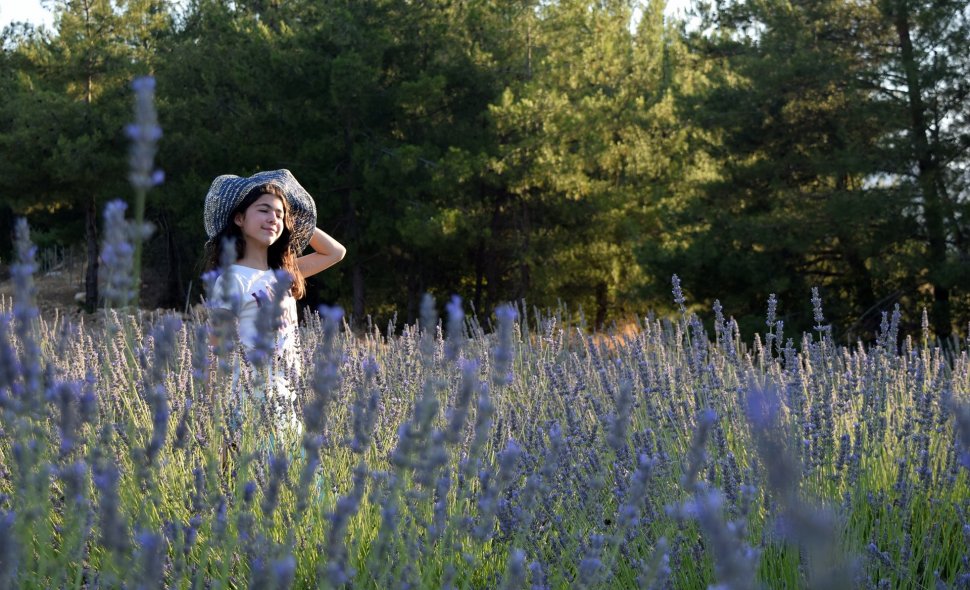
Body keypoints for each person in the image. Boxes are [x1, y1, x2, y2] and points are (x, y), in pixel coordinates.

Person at [201, 169, 345, 434]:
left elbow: (335, 252)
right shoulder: (232, 280)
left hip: (286, 408)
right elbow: (216, 354)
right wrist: (218, 426)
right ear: (239, 218)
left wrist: (298, 218)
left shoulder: (283, 275)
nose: (273, 219)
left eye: (280, 214)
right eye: (264, 210)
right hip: (247, 411)